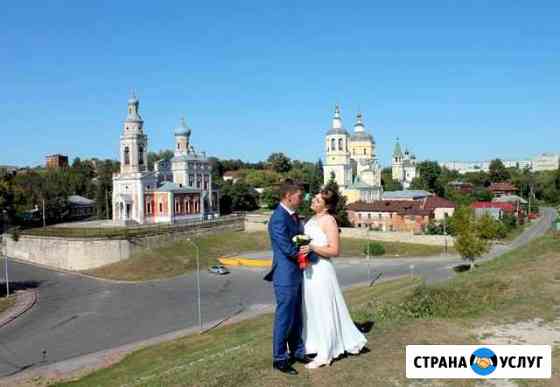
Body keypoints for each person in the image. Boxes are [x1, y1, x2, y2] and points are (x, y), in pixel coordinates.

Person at [299, 187, 368, 369]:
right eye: (314, 198)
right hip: (308, 270)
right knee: (311, 308)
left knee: (324, 309)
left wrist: (312, 247)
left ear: (326, 206)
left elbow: (335, 250)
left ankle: (326, 353)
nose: (313, 201)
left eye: (317, 201)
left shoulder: (329, 220)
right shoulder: (313, 219)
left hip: (322, 270)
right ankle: (313, 344)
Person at [264, 179, 313, 375]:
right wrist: (307, 252)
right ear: (288, 196)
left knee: (296, 315)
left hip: (297, 272)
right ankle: (279, 358)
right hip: (285, 275)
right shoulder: (278, 218)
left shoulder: (293, 217)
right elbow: (286, 248)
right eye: (299, 196)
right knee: (284, 317)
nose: (302, 199)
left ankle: (298, 351)